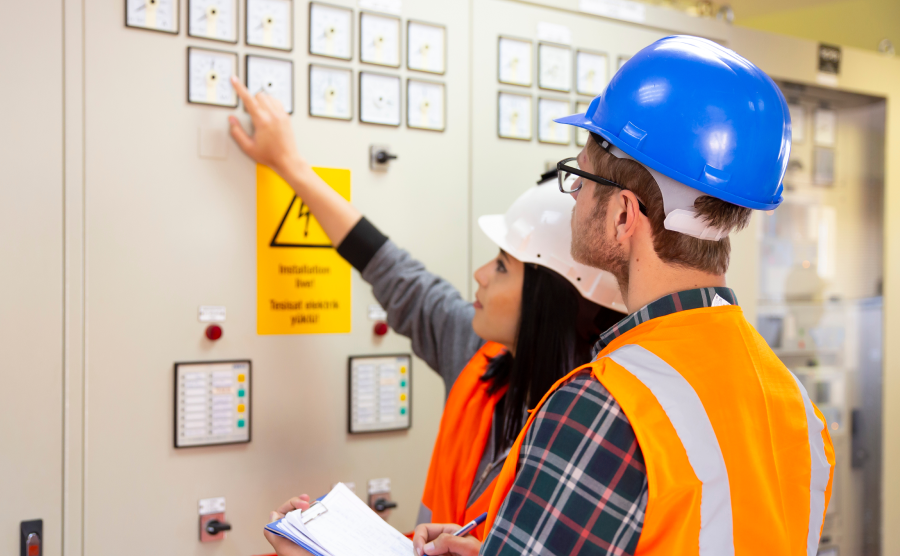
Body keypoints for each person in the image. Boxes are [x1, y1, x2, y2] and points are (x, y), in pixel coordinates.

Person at [415, 35, 836, 556]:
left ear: (622, 215)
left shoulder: (604, 405)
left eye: (579, 178)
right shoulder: (795, 406)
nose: (573, 198)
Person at [223, 78, 626, 554]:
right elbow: (393, 270)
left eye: (501, 266)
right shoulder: (479, 357)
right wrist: (289, 167)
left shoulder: (599, 424)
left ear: (548, 303)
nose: (479, 275)